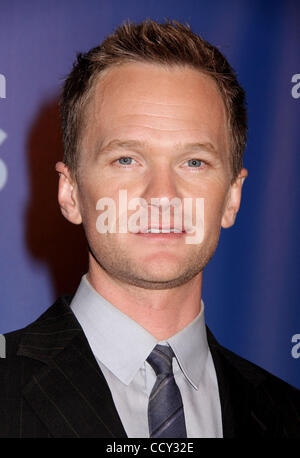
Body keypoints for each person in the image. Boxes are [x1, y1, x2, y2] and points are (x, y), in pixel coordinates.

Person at [0, 20, 299, 438]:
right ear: (70, 193)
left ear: (232, 197)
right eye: (127, 159)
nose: (162, 195)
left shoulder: (288, 415)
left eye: (194, 162)